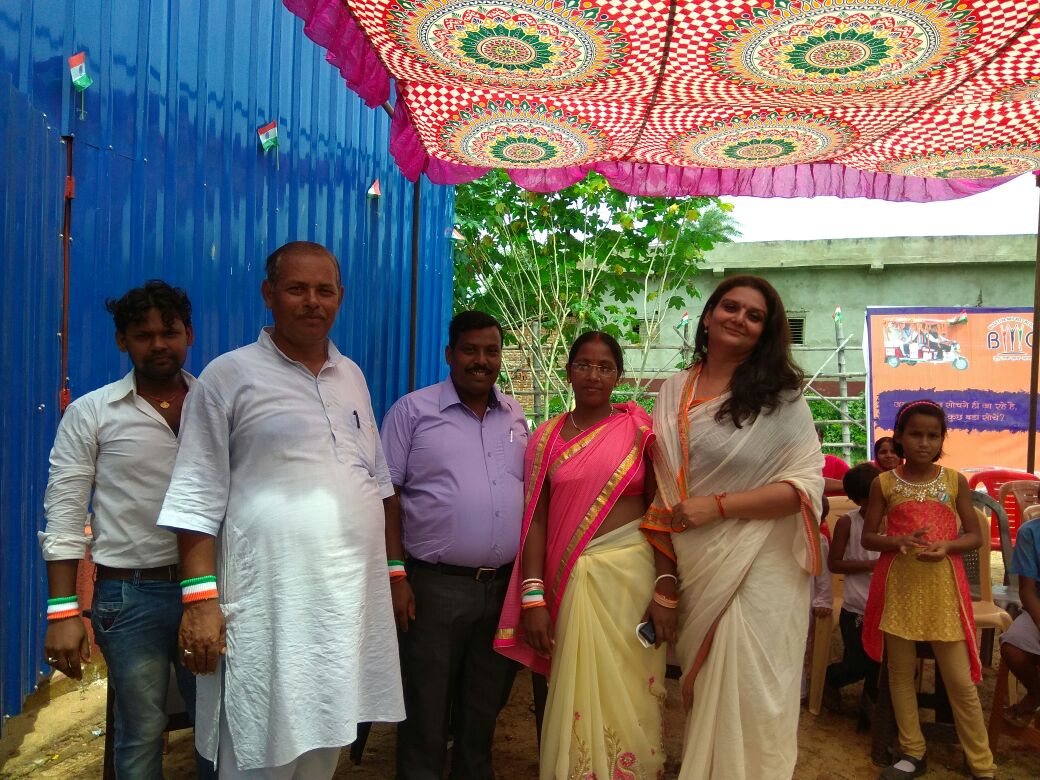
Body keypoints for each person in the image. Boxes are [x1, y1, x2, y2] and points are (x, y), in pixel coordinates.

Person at [157, 241, 404, 778]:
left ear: (340, 297)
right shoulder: (229, 376)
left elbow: (377, 482)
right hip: (267, 607)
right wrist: (200, 603)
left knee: (325, 736)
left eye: (324, 290)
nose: (312, 302)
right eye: (297, 289)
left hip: (342, 609)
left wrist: (395, 571)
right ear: (270, 294)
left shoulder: (352, 376)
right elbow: (196, 495)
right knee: (257, 743)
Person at [640, 274, 824, 780]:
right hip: (698, 560)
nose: (739, 318)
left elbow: (803, 490)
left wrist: (717, 507)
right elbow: (663, 491)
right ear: (708, 315)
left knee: (749, 690)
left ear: (765, 332)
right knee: (706, 686)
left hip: (761, 565)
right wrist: (667, 578)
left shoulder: (781, 399)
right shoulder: (674, 390)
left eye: (754, 315)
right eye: (731, 307)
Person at [39, 281, 211, 778]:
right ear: (122, 342)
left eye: (170, 332)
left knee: (219, 726)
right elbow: (66, 512)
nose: (159, 344)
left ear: (189, 334)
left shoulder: (215, 404)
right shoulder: (93, 412)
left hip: (210, 592)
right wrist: (62, 612)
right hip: (128, 597)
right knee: (140, 732)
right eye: (143, 334)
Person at [495, 331, 669, 780]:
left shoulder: (640, 431)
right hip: (570, 582)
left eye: (605, 366)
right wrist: (533, 598)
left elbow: (662, 513)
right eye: (584, 365)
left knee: (629, 691)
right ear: (569, 371)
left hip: (630, 580)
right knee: (573, 690)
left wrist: (667, 588)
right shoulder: (548, 436)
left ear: (619, 376)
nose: (594, 375)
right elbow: (535, 518)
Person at [380, 310, 527, 780]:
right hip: (434, 588)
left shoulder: (515, 415)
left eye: (491, 351)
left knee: (482, 708)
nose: (481, 361)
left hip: (500, 587)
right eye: (470, 350)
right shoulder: (412, 411)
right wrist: (395, 574)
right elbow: (386, 497)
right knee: (426, 706)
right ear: (450, 354)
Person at [862, 400, 995, 780]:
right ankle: (913, 752)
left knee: (959, 680)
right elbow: (870, 538)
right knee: (901, 674)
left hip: (943, 589)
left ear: (941, 440)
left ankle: (982, 764)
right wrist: (897, 539)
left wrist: (948, 546)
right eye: (915, 434)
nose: (924, 442)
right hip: (899, 587)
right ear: (900, 437)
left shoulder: (954, 481)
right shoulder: (883, 483)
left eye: (932, 436)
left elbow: (973, 536)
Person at [824, 462, 882, 712]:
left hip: (885, 607)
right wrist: (870, 565)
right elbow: (835, 563)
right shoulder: (848, 523)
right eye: (871, 499)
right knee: (860, 662)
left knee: (884, 662)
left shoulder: (893, 521)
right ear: (858, 500)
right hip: (856, 608)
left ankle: (871, 704)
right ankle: (830, 679)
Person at [1000, 510, 1040, 726]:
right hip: (1038, 607)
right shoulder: (1031, 532)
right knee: (1012, 646)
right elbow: (1027, 590)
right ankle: (1036, 693)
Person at [818, 424, 850, 497]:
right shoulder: (792, 464)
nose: (814, 444)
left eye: (818, 440)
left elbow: (855, 486)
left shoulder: (835, 463)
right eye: (809, 440)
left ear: (822, 442)